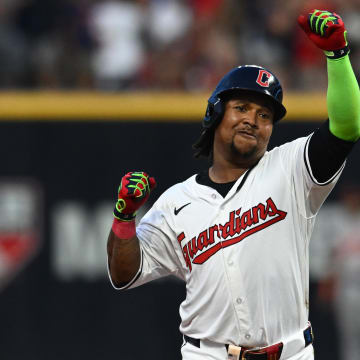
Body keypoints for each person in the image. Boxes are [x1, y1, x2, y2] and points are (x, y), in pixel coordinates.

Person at [107, 9, 360, 360]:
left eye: (264, 115)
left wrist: (337, 56)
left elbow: (345, 128)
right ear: (215, 114)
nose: (253, 121)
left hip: (290, 353)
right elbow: (125, 273)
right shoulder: (176, 201)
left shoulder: (291, 169)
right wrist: (123, 217)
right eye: (241, 107)